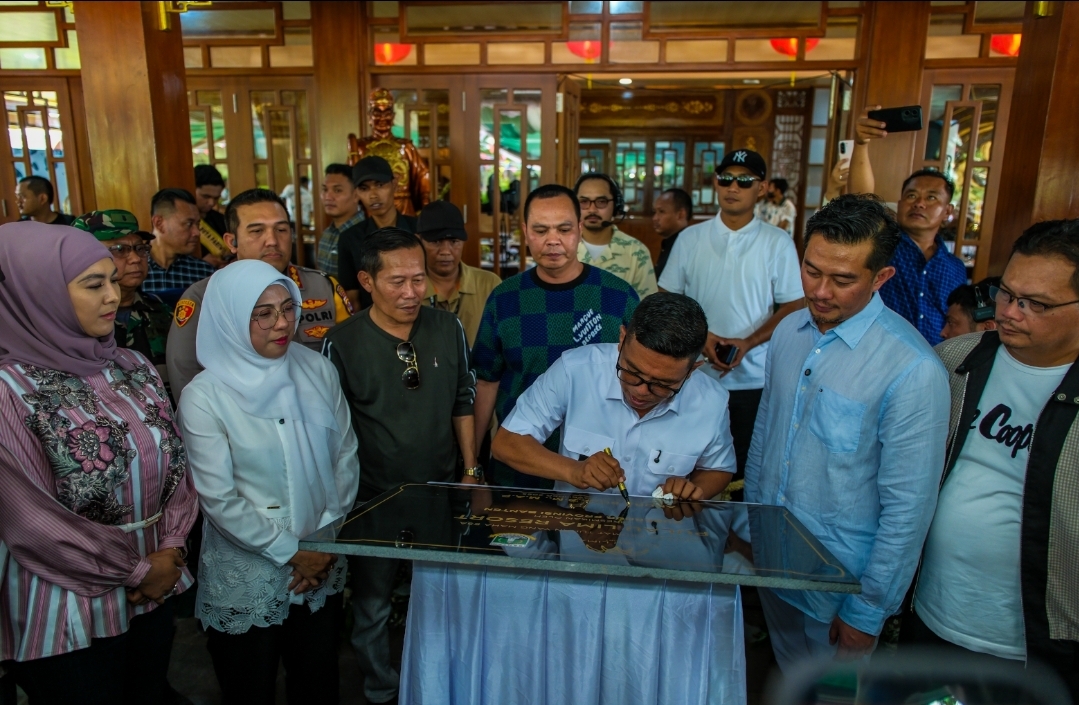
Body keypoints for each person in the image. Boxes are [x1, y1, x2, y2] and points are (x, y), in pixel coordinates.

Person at [745, 194, 950, 671]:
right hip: (775, 565)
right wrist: (754, 532)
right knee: (789, 677)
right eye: (811, 271)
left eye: (842, 280)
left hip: (842, 586)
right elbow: (765, 437)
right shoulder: (788, 332)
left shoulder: (911, 368)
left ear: (881, 277)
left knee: (834, 695)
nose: (820, 291)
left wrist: (868, 611)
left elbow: (909, 508)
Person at [0, 221, 198, 704]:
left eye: (112, 279)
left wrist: (172, 546)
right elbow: (34, 520)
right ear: (37, 293)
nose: (112, 295)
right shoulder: (10, 390)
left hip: (155, 586)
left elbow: (177, 464)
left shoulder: (131, 366)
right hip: (65, 605)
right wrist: (138, 570)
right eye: (93, 285)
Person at [905, 219, 1079, 701]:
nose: (1008, 312)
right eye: (1006, 293)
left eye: (1035, 304)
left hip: (1037, 643)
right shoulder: (955, 362)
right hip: (932, 612)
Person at [178, 260, 359, 705]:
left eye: (288, 308)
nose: (282, 323)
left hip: (321, 557)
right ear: (229, 318)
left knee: (317, 682)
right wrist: (294, 552)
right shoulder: (205, 396)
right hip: (251, 570)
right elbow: (219, 498)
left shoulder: (317, 370)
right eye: (263, 313)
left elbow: (346, 455)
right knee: (248, 686)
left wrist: (323, 541)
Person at [322, 228, 478, 705]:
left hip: (439, 493)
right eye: (398, 282)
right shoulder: (342, 342)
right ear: (367, 281)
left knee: (442, 597)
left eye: (419, 279)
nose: (412, 292)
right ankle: (381, 687)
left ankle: (440, 683)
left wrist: (470, 471)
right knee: (371, 602)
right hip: (373, 498)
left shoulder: (446, 328)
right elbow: (331, 430)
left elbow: (463, 399)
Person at [472, 184, 640, 489]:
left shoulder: (617, 296)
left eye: (564, 229)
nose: (553, 240)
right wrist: (473, 464)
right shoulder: (504, 299)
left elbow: (640, 377)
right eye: (540, 230)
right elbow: (486, 382)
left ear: (579, 228)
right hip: (519, 463)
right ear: (525, 232)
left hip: (598, 468)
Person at [657, 149, 804, 491]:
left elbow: (794, 304)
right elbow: (667, 298)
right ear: (716, 183)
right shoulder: (690, 238)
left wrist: (748, 342)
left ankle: (737, 526)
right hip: (692, 373)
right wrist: (702, 338)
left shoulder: (777, 242)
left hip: (752, 378)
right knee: (686, 463)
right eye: (726, 179)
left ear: (762, 188)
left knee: (741, 468)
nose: (733, 187)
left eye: (744, 181)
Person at [167, 188, 353, 398]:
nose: (272, 240)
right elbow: (185, 374)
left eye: (281, 229)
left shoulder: (323, 286)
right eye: (257, 231)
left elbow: (350, 358)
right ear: (231, 242)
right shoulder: (203, 296)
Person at [849, 106, 967, 346]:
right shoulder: (882, 245)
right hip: (880, 352)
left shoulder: (955, 268)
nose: (919, 203)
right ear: (901, 203)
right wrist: (861, 144)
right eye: (911, 196)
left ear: (948, 212)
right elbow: (861, 201)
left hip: (936, 357)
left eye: (931, 197)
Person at [71, 209, 172, 386]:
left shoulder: (164, 312)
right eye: (119, 249)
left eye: (140, 248)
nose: (135, 258)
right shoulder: (73, 320)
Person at [338, 156, 418, 312]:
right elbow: (352, 298)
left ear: (394, 184)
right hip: (371, 320)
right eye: (364, 188)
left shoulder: (418, 230)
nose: (373, 195)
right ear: (356, 193)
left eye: (380, 185)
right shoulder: (350, 238)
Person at [418, 200, 501, 347]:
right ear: (419, 241)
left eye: (454, 241)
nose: (445, 251)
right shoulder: (409, 289)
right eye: (436, 242)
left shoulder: (489, 285)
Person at [573, 173, 657, 299]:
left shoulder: (637, 252)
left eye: (601, 202)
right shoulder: (561, 247)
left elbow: (648, 306)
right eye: (584, 202)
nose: (592, 209)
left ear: (616, 206)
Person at [143, 188, 215, 304]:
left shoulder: (205, 273)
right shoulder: (133, 269)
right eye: (188, 223)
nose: (197, 232)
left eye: (197, 224)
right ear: (159, 223)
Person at [317, 163, 364, 277]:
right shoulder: (326, 234)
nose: (328, 197)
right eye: (325, 189)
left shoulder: (365, 234)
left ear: (356, 195)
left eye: (337, 190)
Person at [194, 165, 231, 269]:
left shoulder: (222, 220)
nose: (211, 203)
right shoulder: (180, 224)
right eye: (205, 196)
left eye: (216, 198)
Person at [652, 187, 692, 280]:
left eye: (661, 212)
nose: (655, 218)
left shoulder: (687, 246)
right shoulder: (669, 242)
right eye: (655, 212)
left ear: (681, 214)